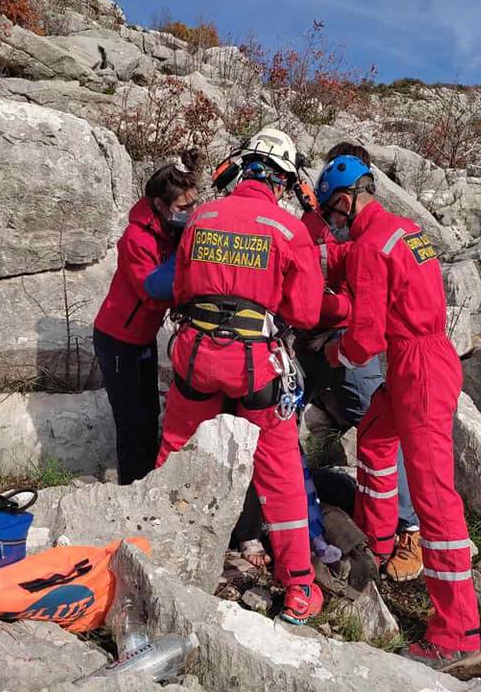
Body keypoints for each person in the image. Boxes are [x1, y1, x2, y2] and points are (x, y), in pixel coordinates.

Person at [318, 152, 481, 670]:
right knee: (374, 436)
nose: (335, 224)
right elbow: (375, 274)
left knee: (436, 498)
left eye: (333, 214)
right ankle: (379, 537)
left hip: (417, 368)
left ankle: (457, 633)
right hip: (429, 355)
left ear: (345, 201)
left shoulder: (367, 246)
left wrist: (332, 352)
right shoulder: (402, 228)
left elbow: (364, 338)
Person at [156, 128, 325, 624]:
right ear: (286, 180)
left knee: (175, 449)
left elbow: (181, 289)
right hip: (255, 364)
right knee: (280, 471)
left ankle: (162, 553)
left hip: (195, 354)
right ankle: (298, 587)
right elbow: (307, 310)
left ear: (239, 167)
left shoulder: (201, 217)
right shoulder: (289, 230)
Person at [298, 142, 424, 582]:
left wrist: (327, 320)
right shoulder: (314, 220)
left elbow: (359, 304)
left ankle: (407, 528)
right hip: (310, 337)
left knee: (380, 431)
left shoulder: (374, 234)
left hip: (345, 340)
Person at [93, 150, 203, 485]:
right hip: (117, 341)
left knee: (150, 413)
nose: (190, 212)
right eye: (183, 207)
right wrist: (186, 247)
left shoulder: (168, 229)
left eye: (193, 204)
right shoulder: (135, 239)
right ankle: (131, 487)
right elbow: (151, 290)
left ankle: (148, 480)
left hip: (141, 339)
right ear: (159, 204)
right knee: (131, 419)